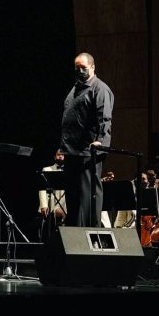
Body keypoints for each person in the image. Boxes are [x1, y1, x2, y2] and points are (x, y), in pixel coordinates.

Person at [58, 52, 114, 227]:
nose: (80, 71)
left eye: (83, 68)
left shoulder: (100, 88)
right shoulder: (75, 89)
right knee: (73, 197)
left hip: (88, 152)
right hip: (71, 151)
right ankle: (74, 235)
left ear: (92, 67)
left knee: (88, 196)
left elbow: (104, 118)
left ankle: (90, 234)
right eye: (77, 68)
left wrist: (101, 141)